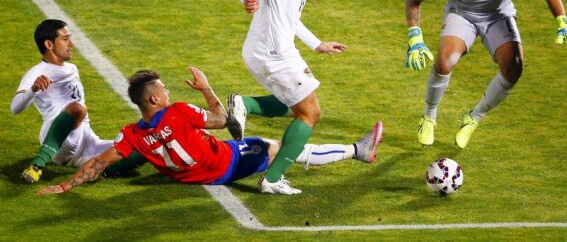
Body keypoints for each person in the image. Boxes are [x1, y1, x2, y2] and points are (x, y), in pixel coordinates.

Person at [37, 67, 383, 196]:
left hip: (189, 177)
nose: (169, 93)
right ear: (156, 98)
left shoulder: (133, 136)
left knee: (265, 138)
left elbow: (99, 162)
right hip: (225, 163)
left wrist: (65, 185)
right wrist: (205, 89)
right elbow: (221, 120)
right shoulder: (180, 112)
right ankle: (358, 150)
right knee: (280, 147)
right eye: (165, 90)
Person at [404, 0, 567, 148]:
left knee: (514, 67)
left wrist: (564, 24)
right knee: (444, 62)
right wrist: (415, 38)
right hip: (461, 15)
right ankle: (429, 117)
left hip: (498, 15)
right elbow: (414, 0)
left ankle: (474, 117)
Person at [231, 0, 350, 194]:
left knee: (295, 105)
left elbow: (289, 18)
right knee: (310, 113)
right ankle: (272, 179)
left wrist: (317, 43)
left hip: (271, 52)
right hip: (274, 54)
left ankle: (244, 105)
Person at [10, 19, 145, 183]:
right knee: (78, 108)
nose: (71, 44)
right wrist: (33, 89)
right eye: (65, 39)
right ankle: (37, 165)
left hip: (86, 141)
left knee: (144, 146)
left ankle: (98, 169)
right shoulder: (37, 72)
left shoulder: (71, 68)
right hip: (58, 137)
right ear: (49, 44)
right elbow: (15, 108)